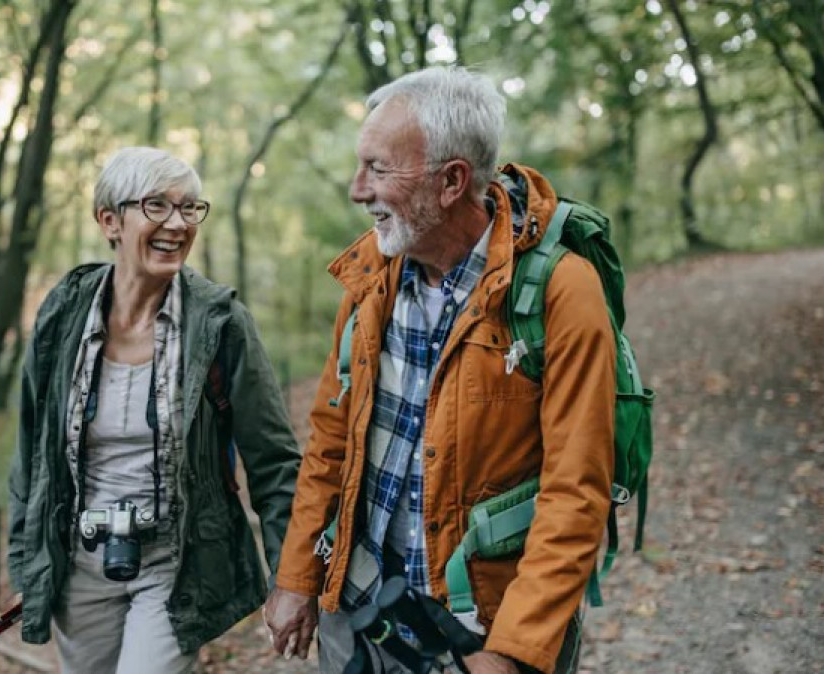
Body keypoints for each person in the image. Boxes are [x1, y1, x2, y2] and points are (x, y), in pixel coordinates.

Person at [263, 66, 616, 674]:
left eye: (378, 169)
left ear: (451, 181)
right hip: (362, 609)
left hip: (479, 629)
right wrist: (298, 575)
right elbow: (330, 442)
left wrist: (511, 649)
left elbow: (575, 491)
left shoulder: (561, 291)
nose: (358, 190)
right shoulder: (371, 277)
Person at [8, 147, 301, 674]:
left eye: (189, 208)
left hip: (176, 559)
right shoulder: (63, 313)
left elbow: (274, 461)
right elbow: (31, 450)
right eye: (157, 206)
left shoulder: (220, 323)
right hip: (80, 558)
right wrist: (26, 560)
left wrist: (291, 578)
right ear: (110, 221)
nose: (179, 223)